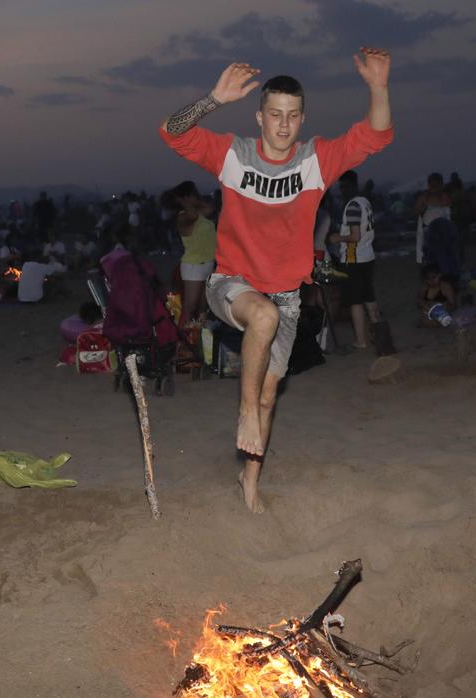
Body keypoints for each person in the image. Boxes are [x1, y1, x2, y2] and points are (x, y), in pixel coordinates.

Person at [159, 48, 393, 513]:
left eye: (291, 116)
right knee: (260, 320)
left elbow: (377, 134)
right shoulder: (233, 155)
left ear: (302, 119)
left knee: (269, 394)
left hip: (288, 297)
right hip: (231, 285)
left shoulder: (316, 162)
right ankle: (243, 411)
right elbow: (172, 131)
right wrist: (211, 99)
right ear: (259, 117)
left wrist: (378, 87)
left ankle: (250, 479)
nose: (283, 125)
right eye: (274, 115)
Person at [326, 170, 378, 350]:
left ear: (354, 185)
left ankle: (360, 340)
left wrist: (336, 238)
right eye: (341, 188)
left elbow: (354, 236)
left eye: (345, 187)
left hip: (353, 256)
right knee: (369, 299)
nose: (343, 191)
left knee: (355, 301)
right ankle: (379, 335)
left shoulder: (353, 205)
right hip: (368, 255)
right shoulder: (365, 202)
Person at [165, 181, 217, 327]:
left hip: (208, 263)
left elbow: (210, 209)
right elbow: (193, 215)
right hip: (194, 266)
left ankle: (199, 336)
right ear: (186, 198)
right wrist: (184, 202)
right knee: (190, 306)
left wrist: (194, 200)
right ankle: (182, 341)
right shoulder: (182, 217)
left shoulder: (200, 213)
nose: (198, 196)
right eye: (194, 194)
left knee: (203, 306)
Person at [414, 173, 451, 264]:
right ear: (429, 185)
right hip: (427, 229)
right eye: (432, 185)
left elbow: (449, 214)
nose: (435, 188)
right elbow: (417, 211)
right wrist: (424, 207)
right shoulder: (424, 197)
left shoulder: (445, 197)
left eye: (437, 185)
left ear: (441, 185)